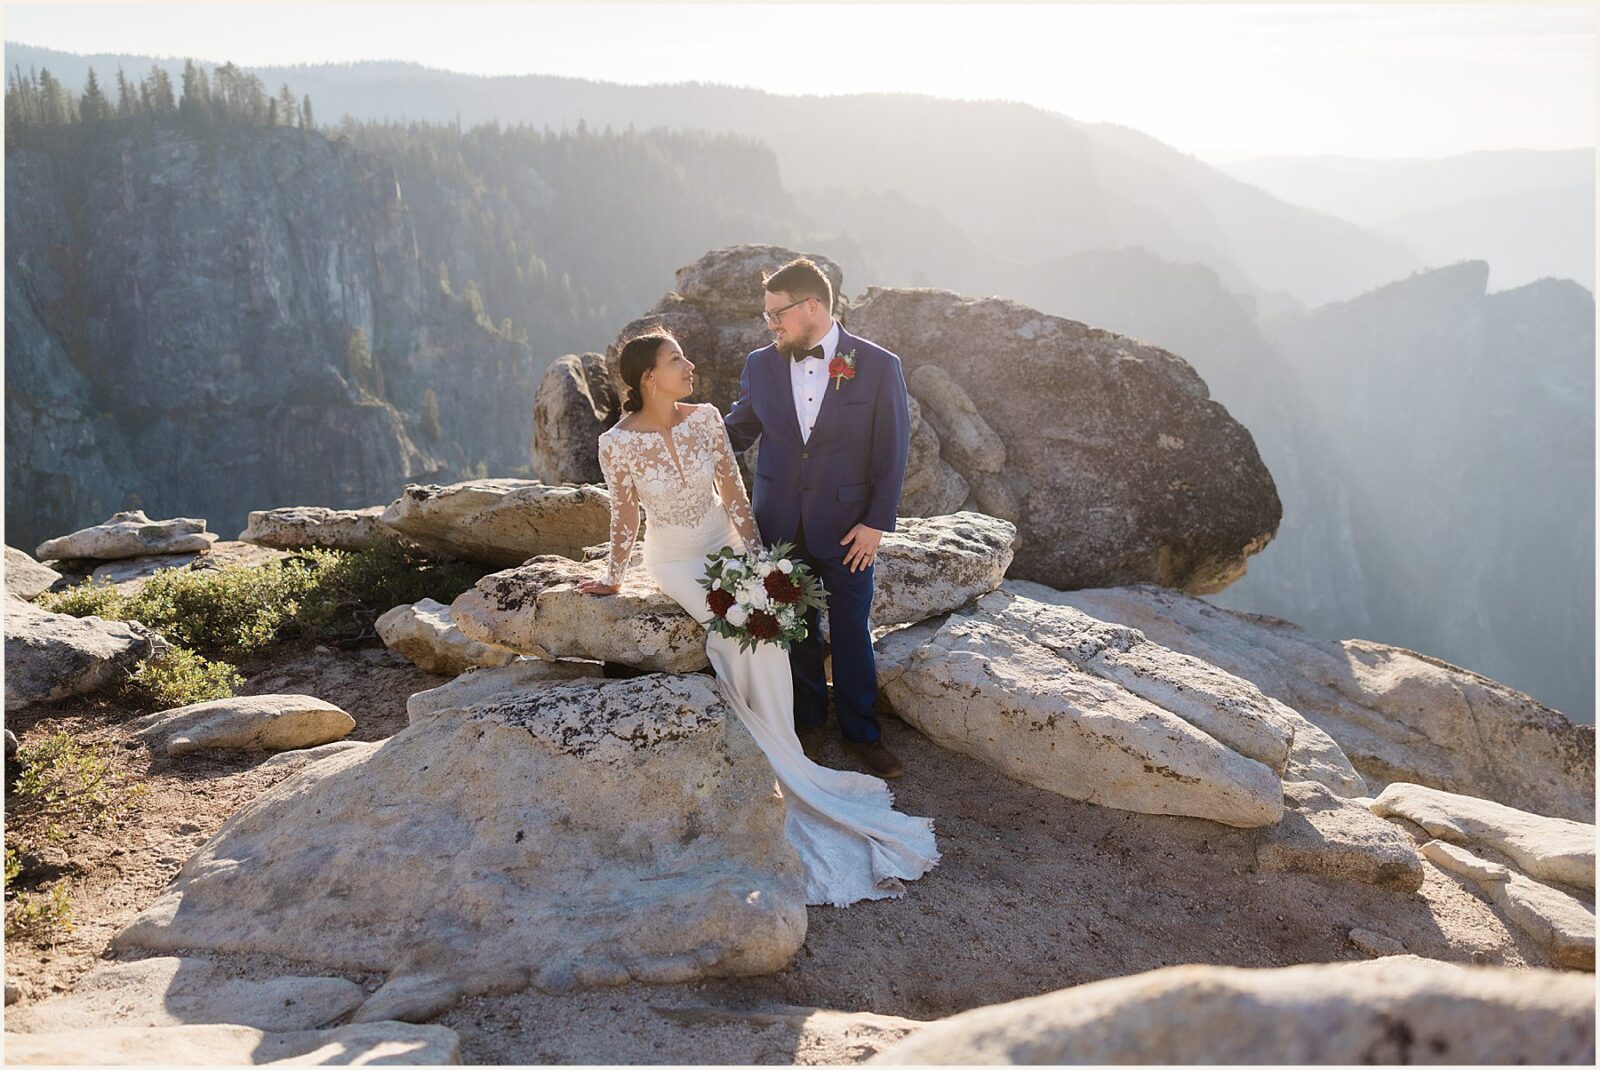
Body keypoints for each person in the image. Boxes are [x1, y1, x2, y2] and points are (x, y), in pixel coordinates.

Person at [577, 329, 936, 907]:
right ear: (648, 377)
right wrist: (614, 577)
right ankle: (774, 757)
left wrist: (756, 561)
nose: (689, 365)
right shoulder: (616, 443)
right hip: (674, 558)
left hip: (725, 543)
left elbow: (734, 491)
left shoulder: (706, 418)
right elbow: (624, 515)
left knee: (769, 632)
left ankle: (787, 750)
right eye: (677, 360)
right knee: (742, 635)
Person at [724, 258, 911, 779]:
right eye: (767, 317)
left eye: (776, 314)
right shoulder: (761, 364)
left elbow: (892, 451)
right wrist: (673, 438)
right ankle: (807, 722)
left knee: (852, 628)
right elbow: (737, 430)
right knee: (796, 629)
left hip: (851, 527)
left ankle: (862, 734)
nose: (770, 325)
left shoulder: (878, 365)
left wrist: (876, 523)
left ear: (812, 307)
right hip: (778, 521)